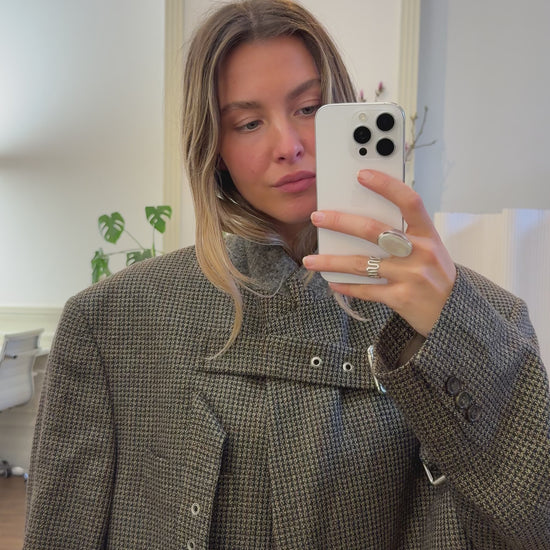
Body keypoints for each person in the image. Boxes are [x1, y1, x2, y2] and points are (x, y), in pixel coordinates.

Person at [24, 0, 550, 548]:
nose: (289, 146)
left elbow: (536, 523)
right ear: (215, 147)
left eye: (309, 109)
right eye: (248, 123)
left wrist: (455, 331)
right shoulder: (112, 322)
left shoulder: (490, 315)